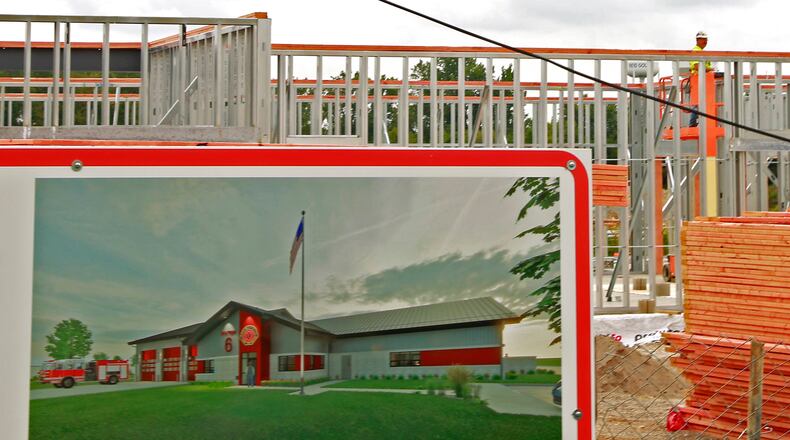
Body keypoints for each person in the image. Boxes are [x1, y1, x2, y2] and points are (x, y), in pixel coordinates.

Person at [689, 31, 713, 127]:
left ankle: (699, 122)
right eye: (704, 40)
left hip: (703, 80)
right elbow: (696, 66)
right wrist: (710, 69)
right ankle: (693, 124)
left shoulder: (701, 52)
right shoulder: (696, 51)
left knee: (701, 103)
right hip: (697, 80)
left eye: (706, 40)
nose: (706, 42)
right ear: (698, 40)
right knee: (698, 103)